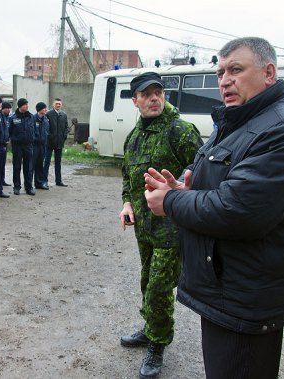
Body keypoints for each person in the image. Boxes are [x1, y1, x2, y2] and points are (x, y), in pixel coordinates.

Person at [144, 37, 284, 378]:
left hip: (245, 300)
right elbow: (227, 185)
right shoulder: (240, 120)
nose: (225, 80)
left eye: (236, 70)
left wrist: (169, 200)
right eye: (220, 72)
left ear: (269, 72)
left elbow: (238, 210)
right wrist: (187, 187)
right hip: (227, 288)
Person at [118, 72, 203, 378]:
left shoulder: (180, 130)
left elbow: (203, 171)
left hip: (172, 228)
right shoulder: (134, 135)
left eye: (158, 92)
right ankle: (150, 328)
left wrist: (184, 194)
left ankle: (157, 344)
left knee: (158, 287)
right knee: (147, 281)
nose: (154, 98)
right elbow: (128, 175)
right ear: (135, 100)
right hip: (144, 227)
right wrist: (127, 203)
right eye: (147, 94)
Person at [9, 98, 35, 196]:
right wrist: (15, 139)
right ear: (20, 106)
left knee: (28, 167)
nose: (27, 106)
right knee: (17, 167)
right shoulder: (13, 117)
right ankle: (16, 187)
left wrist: (33, 138)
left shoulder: (31, 117)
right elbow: (9, 131)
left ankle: (29, 187)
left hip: (28, 145)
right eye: (25, 105)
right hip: (17, 146)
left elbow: (34, 130)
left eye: (27, 104)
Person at [44, 98, 69, 187]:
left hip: (60, 142)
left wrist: (64, 136)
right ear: (53, 104)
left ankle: (58, 181)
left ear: (61, 105)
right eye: (56, 104)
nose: (58, 105)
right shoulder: (48, 114)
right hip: (50, 142)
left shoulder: (64, 115)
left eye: (59, 104)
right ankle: (44, 181)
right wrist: (50, 136)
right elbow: (46, 127)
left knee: (58, 163)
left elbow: (66, 127)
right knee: (46, 162)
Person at [32, 102, 50, 190]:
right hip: (34, 145)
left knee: (40, 165)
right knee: (31, 165)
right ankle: (29, 185)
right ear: (40, 109)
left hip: (43, 146)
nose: (46, 110)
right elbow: (31, 132)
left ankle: (39, 183)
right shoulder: (33, 119)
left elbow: (47, 131)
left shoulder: (46, 119)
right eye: (44, 108)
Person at [1, 102, 12, 187]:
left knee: (2, 163)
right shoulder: (0, 117)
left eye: (9, 108)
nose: (8, 110)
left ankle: (2, 179)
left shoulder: (9, 118)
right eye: (7, 108)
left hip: (5, 143)